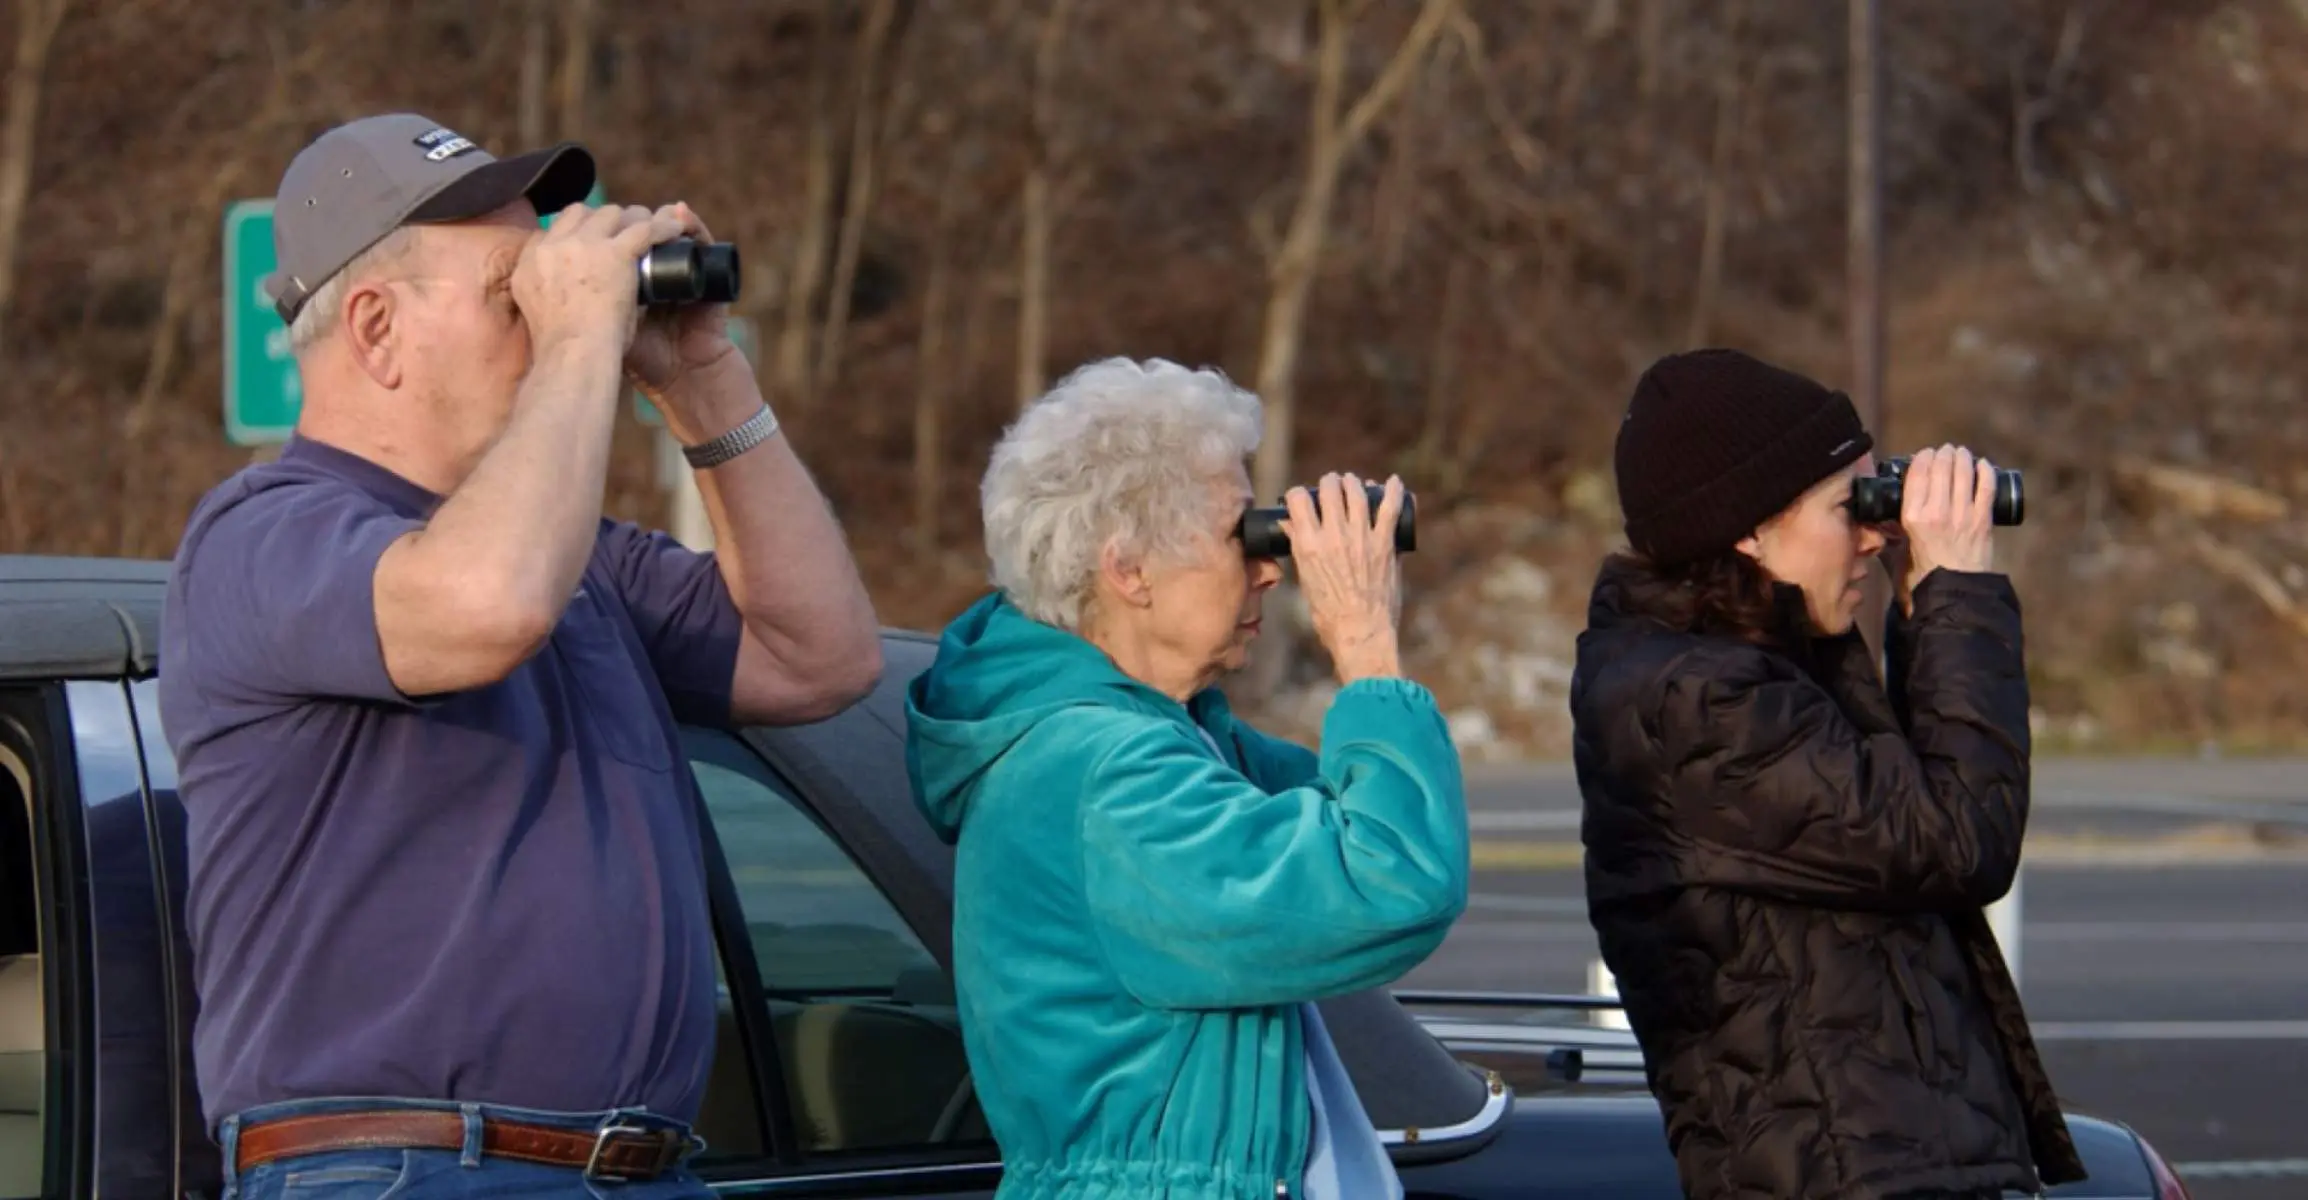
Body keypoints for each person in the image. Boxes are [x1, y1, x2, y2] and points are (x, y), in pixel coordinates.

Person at [157, 112, 883, 1197]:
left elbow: (820, 657)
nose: (551, 319)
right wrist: (584, 339)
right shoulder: (263, 536)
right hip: (402, 1167)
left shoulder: (577, 561)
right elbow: (486, 604)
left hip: (636, 1166)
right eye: (516, 292)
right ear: (375, 329)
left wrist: (702, 381)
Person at [904, 357, 1469, 1199]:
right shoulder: (1103, 777)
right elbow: (1392, 883)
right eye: (1242, 537)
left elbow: (1354, 815)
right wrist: (1364, 641)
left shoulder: (1157, 742)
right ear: (1129, 569)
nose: (1269, 569)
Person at [1568, 348, 2088, 1200]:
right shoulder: (1699, 704)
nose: (1876, 533)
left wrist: (1920, 606)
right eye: (1853, 506)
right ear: (1747, 530)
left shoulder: (1756, 675)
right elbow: (1960, 840)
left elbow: (1912, 818)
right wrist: (1959, 594)